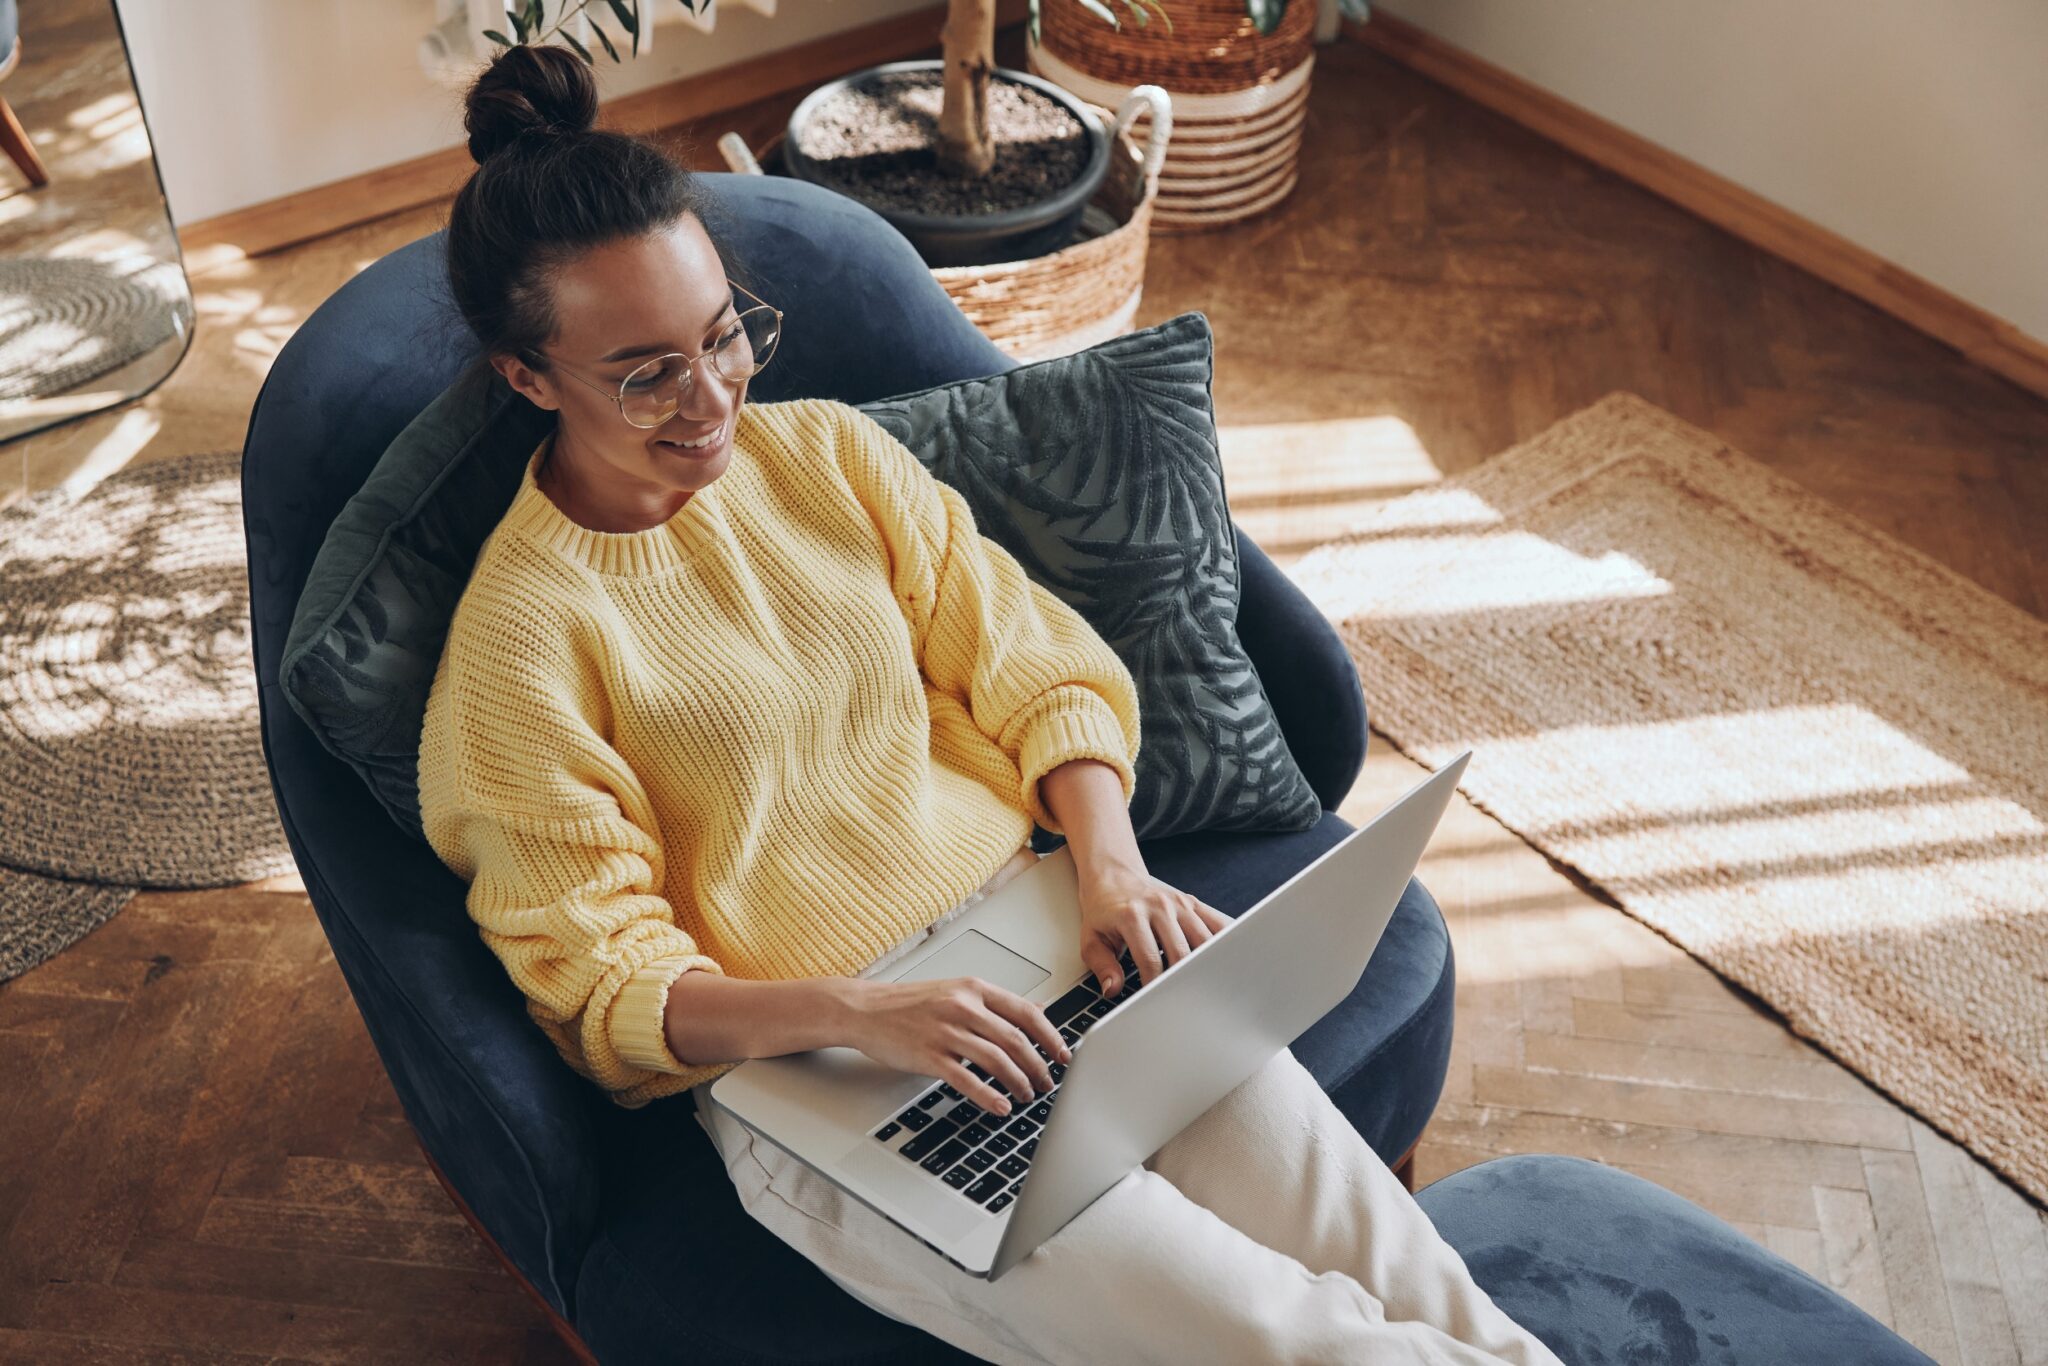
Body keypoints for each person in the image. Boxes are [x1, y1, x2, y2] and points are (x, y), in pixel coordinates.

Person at [417, 42, 1568, 1366]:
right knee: (1293, 1342)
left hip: (1046, 940)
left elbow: (1035, 662)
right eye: (647, 373)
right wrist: (859, 1011)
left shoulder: (828, 455)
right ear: (527, 376)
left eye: (725, 334)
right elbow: (604, 985)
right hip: (823, 1077)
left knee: (1414, 1277)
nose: (715, 396)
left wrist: (1112, 868)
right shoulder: (517, 653)